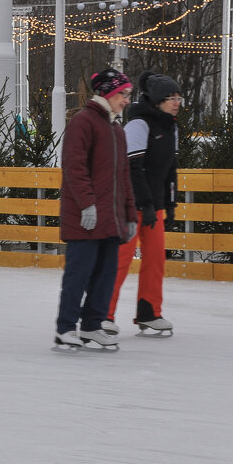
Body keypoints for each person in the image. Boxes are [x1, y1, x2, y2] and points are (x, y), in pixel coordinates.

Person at [53, 68, 137, 351]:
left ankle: (92, 325)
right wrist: (87, 205)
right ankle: (66, 328)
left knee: (105, 275)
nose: (127, 100)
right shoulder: (83, 122)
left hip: (111, 220)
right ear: (108, 93)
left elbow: (123, 177)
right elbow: (74, 168)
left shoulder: (116, 129)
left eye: (129, 94)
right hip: (85, 219)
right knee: (79, 275)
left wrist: (130, 215)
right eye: (123, 94)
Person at [105, 71, 181, 337]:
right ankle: (103, 314)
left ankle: (149, 312)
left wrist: (170, 204)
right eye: (170, 97)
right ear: (157, 100)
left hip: (155, 207)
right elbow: (132, 169)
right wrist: (145, 204)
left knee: (156, 259)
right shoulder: (138, 125)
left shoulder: (171, 127)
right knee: (120, 261)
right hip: (129, 205)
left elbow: (170, 170)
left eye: (178, 96)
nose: (176, 102)